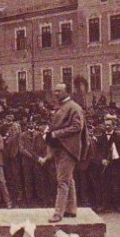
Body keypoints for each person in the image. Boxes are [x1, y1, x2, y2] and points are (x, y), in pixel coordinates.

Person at [43, 83, 87, 222]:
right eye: (54, 91)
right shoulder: (61, 107)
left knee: (62, 181)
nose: (55, 93)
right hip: (60, 147)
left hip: (69, 149)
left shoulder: (74, 107)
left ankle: (58, 214)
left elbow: (77, 127)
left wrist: (55, 134)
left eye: (58, 91)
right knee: (68, 180)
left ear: (67, 92)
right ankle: (71, 210)